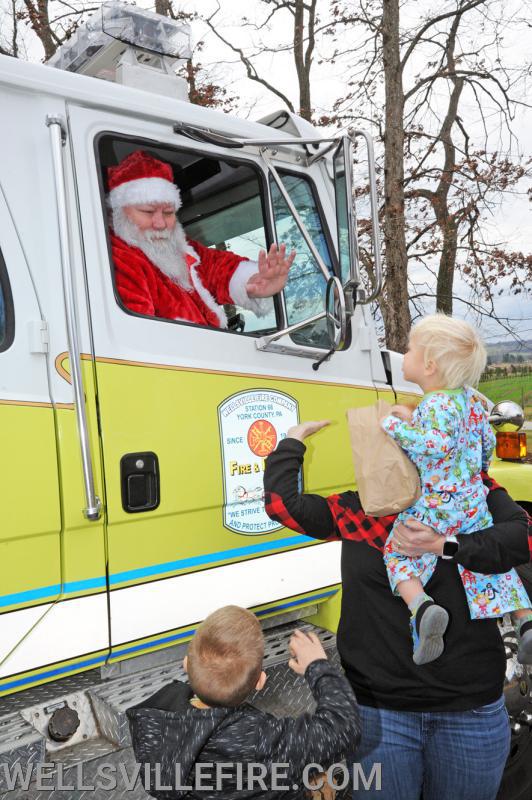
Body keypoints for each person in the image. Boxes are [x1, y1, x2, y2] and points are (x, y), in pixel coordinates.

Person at [263, 421, 532, 800]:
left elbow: (526, 538)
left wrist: (444, 544)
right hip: (380, 714)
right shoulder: (359, 509)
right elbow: (281, 506)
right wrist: (292, 440)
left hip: (469, 711)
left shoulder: (473, 496)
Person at [379, 315, 532, 665]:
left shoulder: (434, 405)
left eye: (409, 349)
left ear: (429, 365)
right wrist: (474, 477)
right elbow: (485, 445)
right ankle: (525, 621)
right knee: (488, 566)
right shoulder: (470, 403)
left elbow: (433, 444)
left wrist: (394, 425)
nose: (404, 354)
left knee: (397, 551)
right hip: (473, 502)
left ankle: (422, 608)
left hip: (437, 504)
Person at [127, 605, 360, 800]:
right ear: (260, 681)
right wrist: (317, 666)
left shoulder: (152, 718)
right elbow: (343, 727)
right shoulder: (260, 738)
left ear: (187, 664)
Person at [107, 150, 296, 327]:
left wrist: (253, 281)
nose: (160, 223)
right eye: (148, 211)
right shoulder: (116, 260)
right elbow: (139, 337)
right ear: (119, 212)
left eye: (168, 212)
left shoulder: (180, 250)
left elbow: (215, 267)